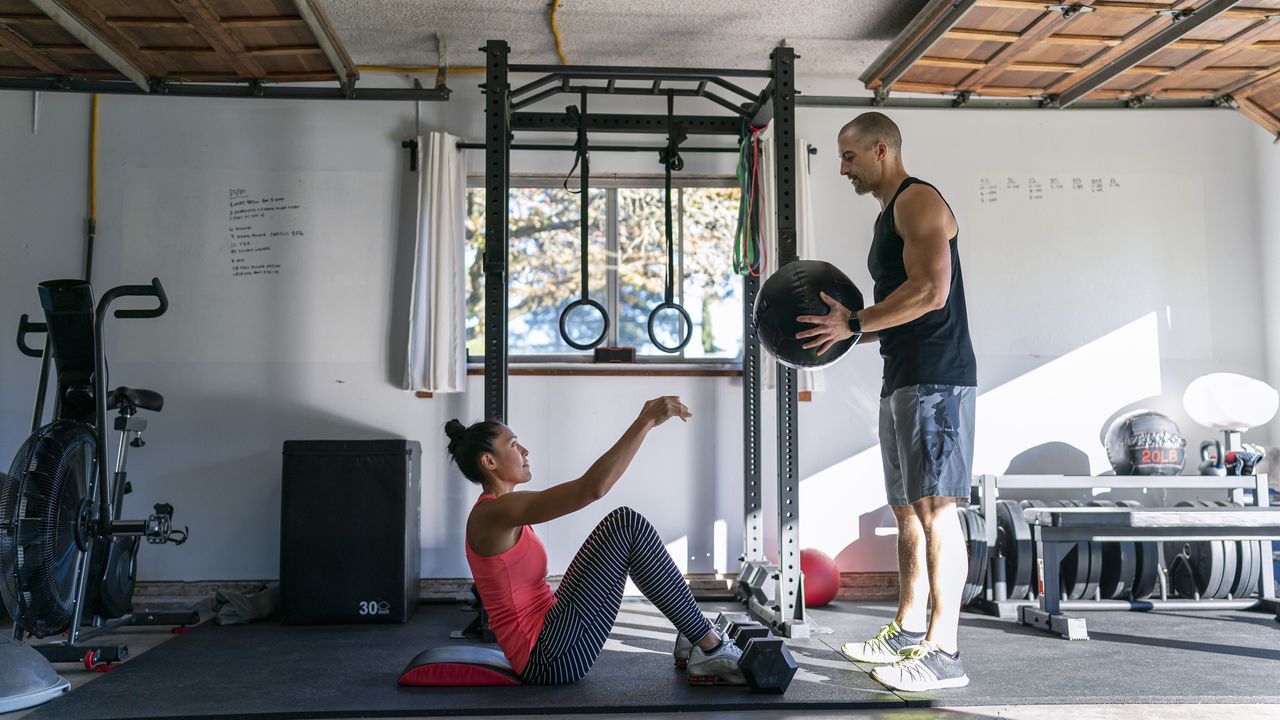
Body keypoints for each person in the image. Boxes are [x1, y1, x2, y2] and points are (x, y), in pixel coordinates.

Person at [795, 111, 977, 692]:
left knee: (937, 509)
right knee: (905, 508)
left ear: (880, 150)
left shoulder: (917, 200)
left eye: (849, 157)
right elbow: (898, 307)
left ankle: (943, 649)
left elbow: (931, 290)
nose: (842, 169)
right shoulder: (886, 215)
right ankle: (904, 629)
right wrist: (848, 330)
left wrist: (856, 320)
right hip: (901, 374)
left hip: (936, 377)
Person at [446, 396, 743, 685]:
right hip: (547, 659)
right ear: (489, 461)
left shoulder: (503, 510)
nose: (524, 450)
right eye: (513, 444)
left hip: (553, 636)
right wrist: (645, 421)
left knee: (624, 526)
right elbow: (592, 488)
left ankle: (697, 638)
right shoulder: (494, 512)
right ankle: (712, 647)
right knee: (626, 526)